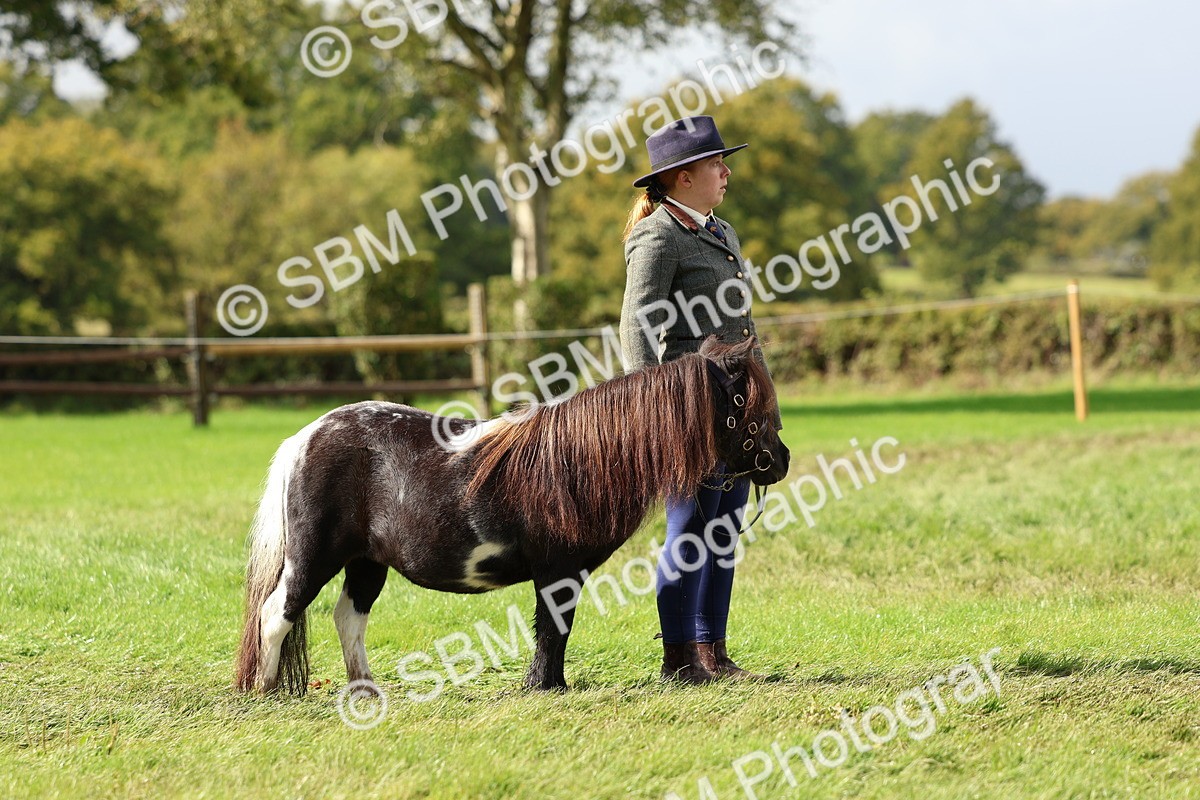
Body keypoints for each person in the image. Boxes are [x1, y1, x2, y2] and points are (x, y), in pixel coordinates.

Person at [619, 116, 782, 684]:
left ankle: (714, 652)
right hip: (687, 408)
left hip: (736, 406)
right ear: (683, 177)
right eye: (716, 164)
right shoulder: (657, 235)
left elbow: (744, 328)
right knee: (689, 529)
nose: (726, 172)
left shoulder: (722, 231)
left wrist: (766, 409)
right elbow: (637, 327)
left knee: (724, 530)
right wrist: (650, 412)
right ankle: (680, 657)